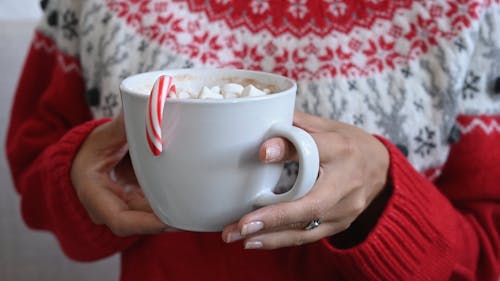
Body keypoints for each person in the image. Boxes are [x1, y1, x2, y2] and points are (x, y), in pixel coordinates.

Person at [6, 0, 500, 280]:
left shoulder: (471, 13)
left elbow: (487, 257)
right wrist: (80, 180)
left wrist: (384, 199)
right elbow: (35, 174)